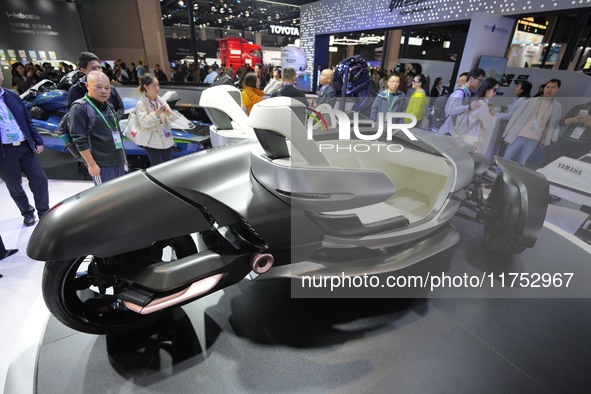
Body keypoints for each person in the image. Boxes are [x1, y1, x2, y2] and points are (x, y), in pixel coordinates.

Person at [0, 71, 49, 226]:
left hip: (24, 146)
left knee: (40, 179)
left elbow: (27, 120)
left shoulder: (12, 95)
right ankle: (27, 212)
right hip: (4, 152)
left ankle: (44, 212)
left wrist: (37, 140)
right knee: (14, 186)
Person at [69, 71, 127, 184]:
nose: (103, 91)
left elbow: (116, 131)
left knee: (119, 197)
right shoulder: (80, 108)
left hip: (118, 161)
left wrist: (122, 156)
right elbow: (80, 140)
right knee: (107, 199)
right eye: (98, 87)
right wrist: (92, 165)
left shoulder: (109, 105)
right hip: (101, 165)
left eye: (107, 87)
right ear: (87, 86)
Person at [501, 79, 562, 168]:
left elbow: (552, 124)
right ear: (544, 88)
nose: (549, 89)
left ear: (557, 89)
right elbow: (515, 117)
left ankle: (512, 180)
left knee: (521, 162)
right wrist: (508, 133)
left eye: (553, 88)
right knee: (506, 158)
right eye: (547, 87)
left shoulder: (557, 106)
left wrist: (546, 138)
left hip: (534, 139)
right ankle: (498, 178)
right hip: (519, 135)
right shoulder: (531, 101)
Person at [134, 73, 179, 166]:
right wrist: (156, 114)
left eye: (158, 85)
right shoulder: (141, 104)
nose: (157, 88)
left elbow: (172, 119)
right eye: (154, 85)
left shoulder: (161, 100)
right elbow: (144, 123)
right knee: (157, 169)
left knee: (169, 166)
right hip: (152, 143)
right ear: (146, 87)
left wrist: (168, 113)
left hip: (167, 140)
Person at [68, 52, 125, 121]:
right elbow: (74, 116)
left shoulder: (110, 88)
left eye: (99, 67)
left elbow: (120, 107)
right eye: (93, 68)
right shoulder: (76, 90)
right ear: (83, 70)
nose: (98, 71)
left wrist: (114, 118)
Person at [454, 77, 499, 154]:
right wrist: (490, 114)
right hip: (473, 140)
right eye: (494, 90)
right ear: (487, 89)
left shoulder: (475, 100)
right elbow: (488, 125)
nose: (495, 93)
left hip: (465, 137)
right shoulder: (482, 105)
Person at [542, 98, 591, 165]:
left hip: (584, 146)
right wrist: (573, 120)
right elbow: (561, 123)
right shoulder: (578, 107)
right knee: (549, 163)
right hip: (565, 141)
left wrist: (588, 122)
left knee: (570, 168)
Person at [437, 68, 486, 136]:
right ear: (471, 79)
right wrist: (469, 107)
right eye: (479, 80)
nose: (480, 83)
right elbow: (451, 110)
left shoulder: (467, 93)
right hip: (448, 131)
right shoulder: (460, 93)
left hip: (454, 131)